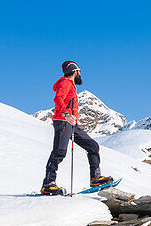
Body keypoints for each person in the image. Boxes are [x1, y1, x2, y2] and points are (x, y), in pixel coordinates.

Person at [40, 61, 113, 195]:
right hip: (63, 121)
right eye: (79, 71)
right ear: (75, 72)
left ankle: (96, 178)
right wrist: (66, 114)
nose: (80, 74)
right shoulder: (65, 83)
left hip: (72, 124)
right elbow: (58, 98)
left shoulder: (71, 85)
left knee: (92, 146)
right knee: (59, 152)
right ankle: (48, 184)